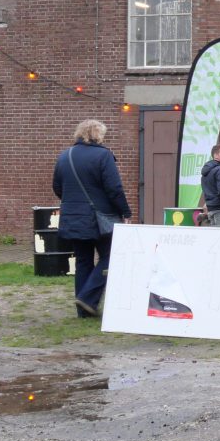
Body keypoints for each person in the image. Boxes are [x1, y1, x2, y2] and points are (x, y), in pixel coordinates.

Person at [52, 119, 132, 318]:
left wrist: (73, 204)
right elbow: (114, 189)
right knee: (111, 257)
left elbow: (57, 187)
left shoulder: (64, 156)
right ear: (97, 135)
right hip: (99, 217)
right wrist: (125, 212)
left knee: (83, 261)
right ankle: (88, 298)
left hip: (72, 217)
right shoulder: (103, 155)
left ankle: (84, 311)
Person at [201, 145, 220, 225]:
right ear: (216, 155)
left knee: (213, 234)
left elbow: (206, 189)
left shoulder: (206, 171)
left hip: (210, 207)